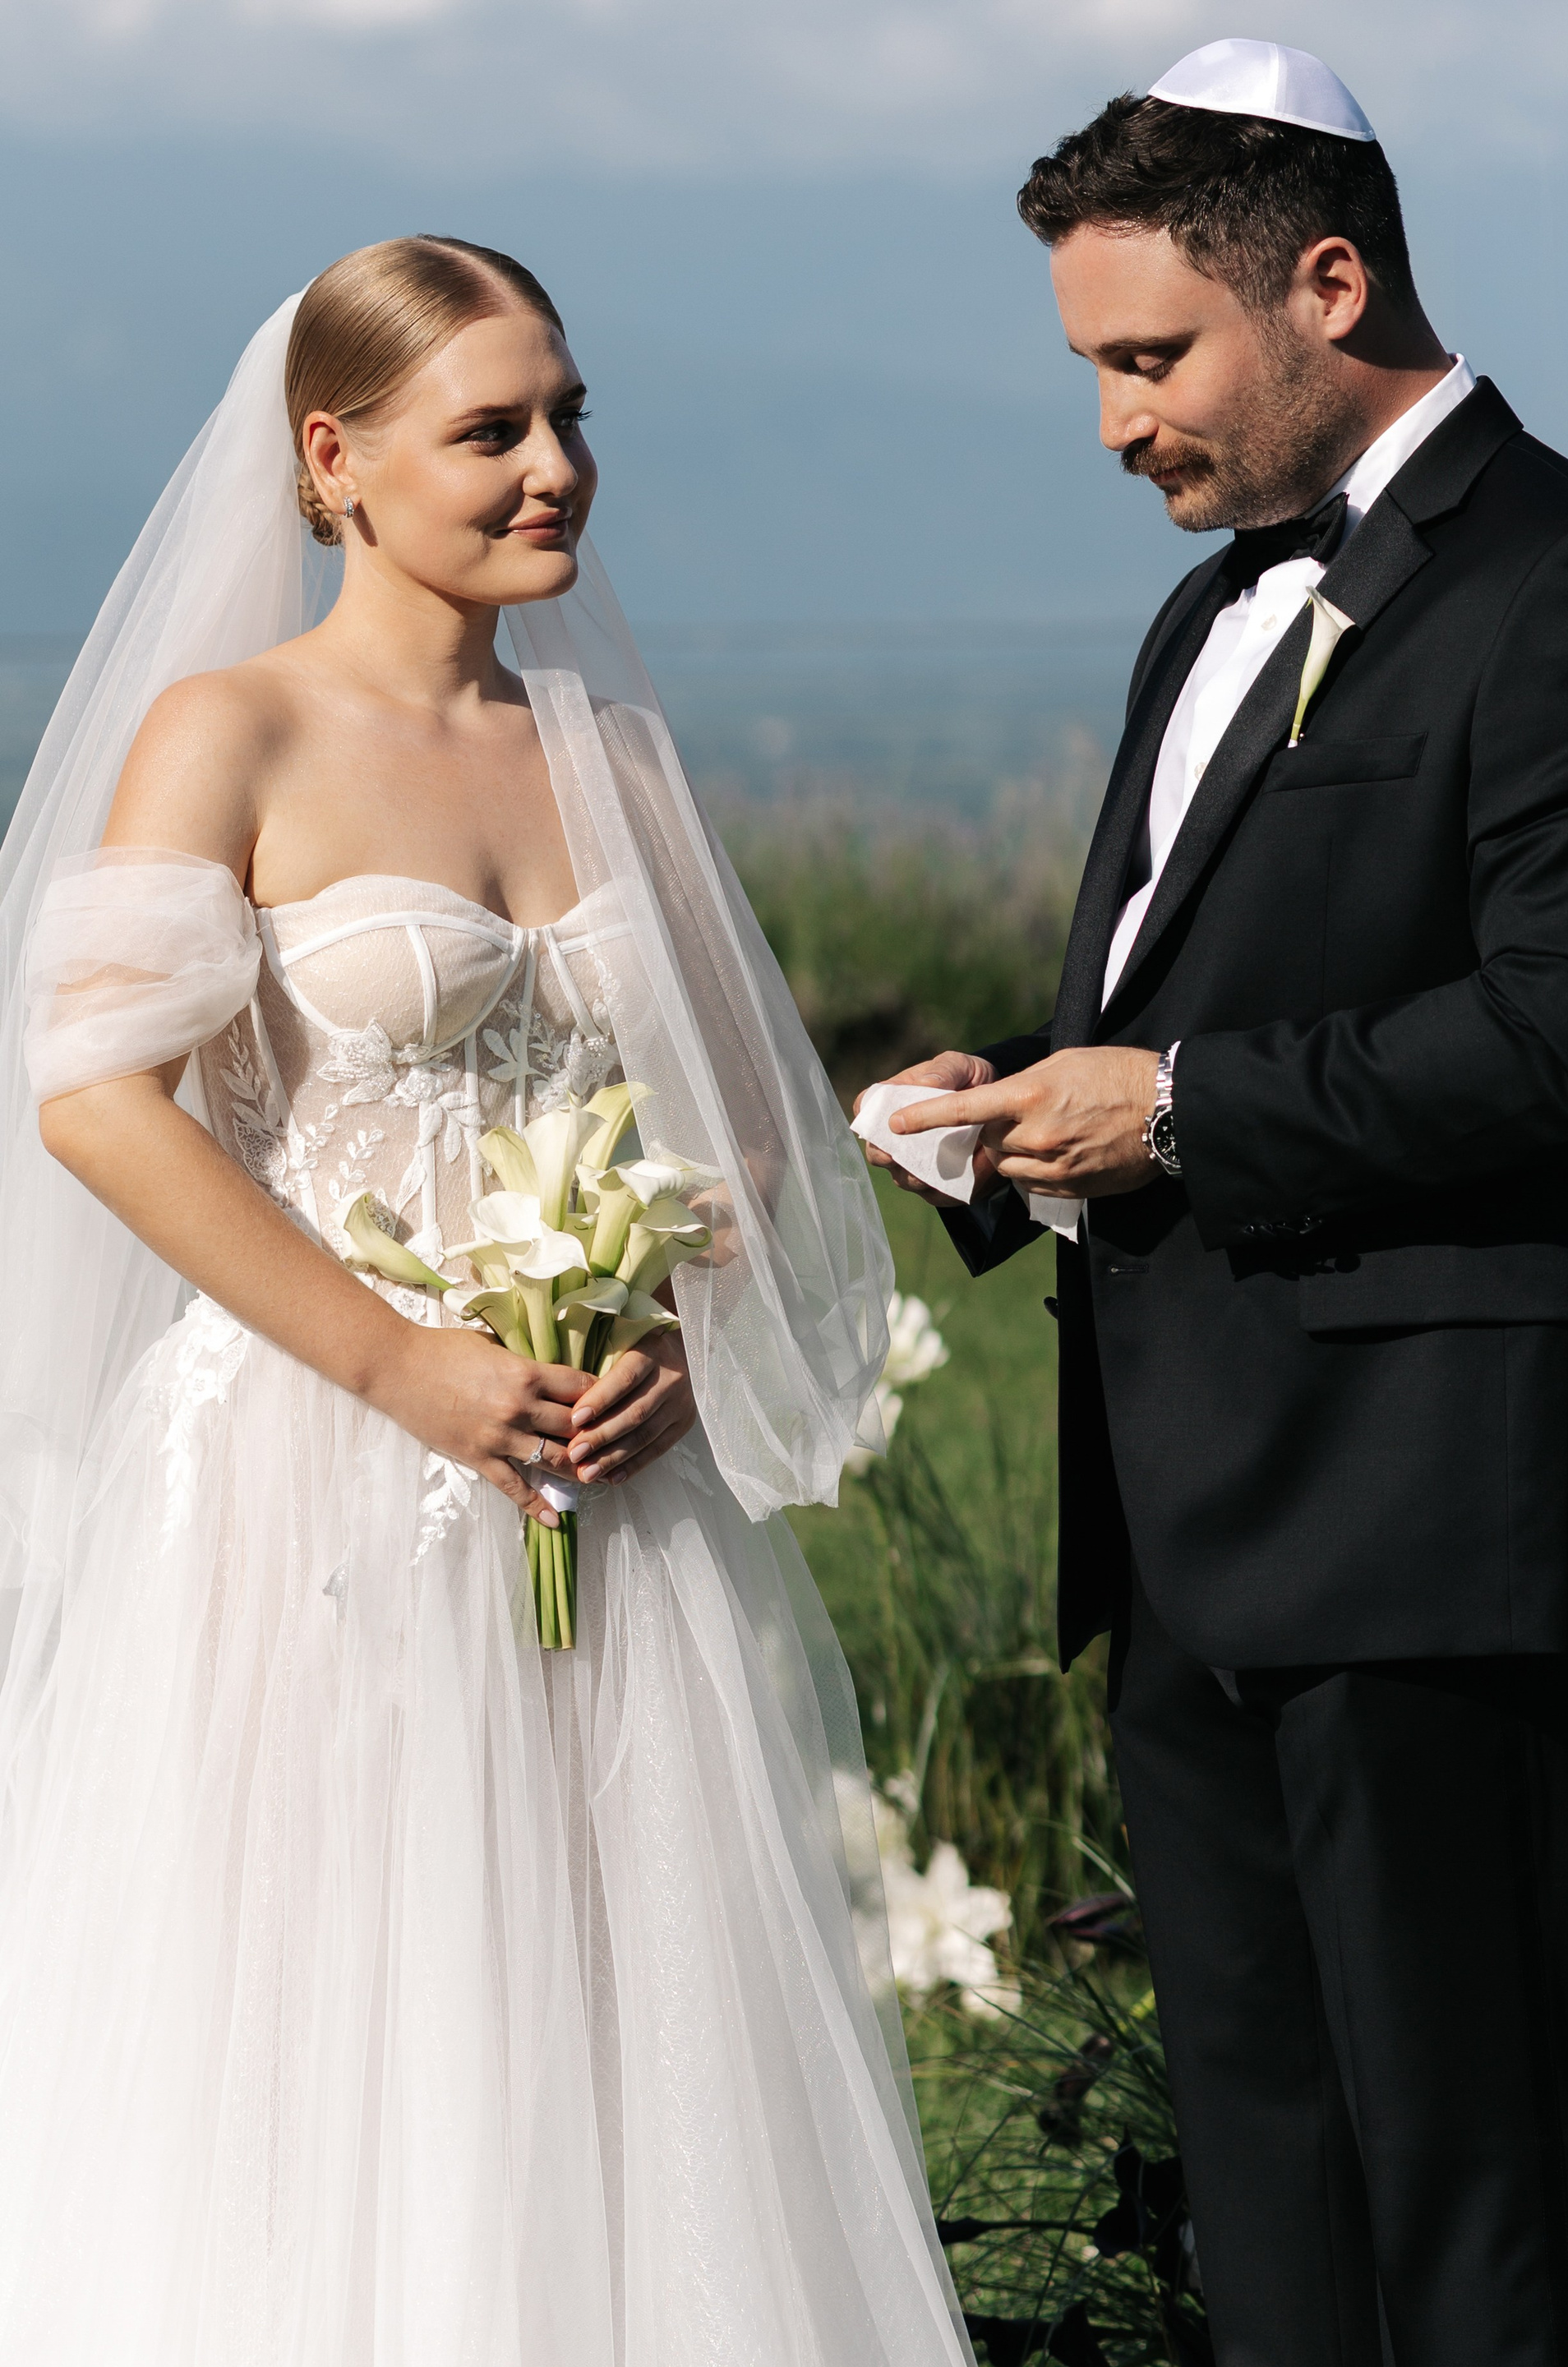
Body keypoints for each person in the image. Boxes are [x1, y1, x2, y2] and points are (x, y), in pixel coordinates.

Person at [0, 238, 974, 2366]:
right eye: (495, 429)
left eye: (571, 417)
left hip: (599, 1493)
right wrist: (396, 1363)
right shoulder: (230, 729)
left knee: (626, 2026)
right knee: (339, 2019)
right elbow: (94, 1102)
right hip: (308, 1483)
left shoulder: (611, 755)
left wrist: (671, 1340)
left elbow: (743, 1132)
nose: (557, 468)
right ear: (334, 458)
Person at [860, 41, 1568, 2366]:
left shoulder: (1554, 581)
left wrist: (1172, 1114)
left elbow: (1556, 1032)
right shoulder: (1206, 615)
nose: (1112, 422)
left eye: (1151, 358)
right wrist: (1014, 1105)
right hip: (1180, 1536)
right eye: (1094, 365)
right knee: (1275, 2200)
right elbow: (1211, 993)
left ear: (1329, 286)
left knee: (1479, 2200)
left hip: (1432, 1536)